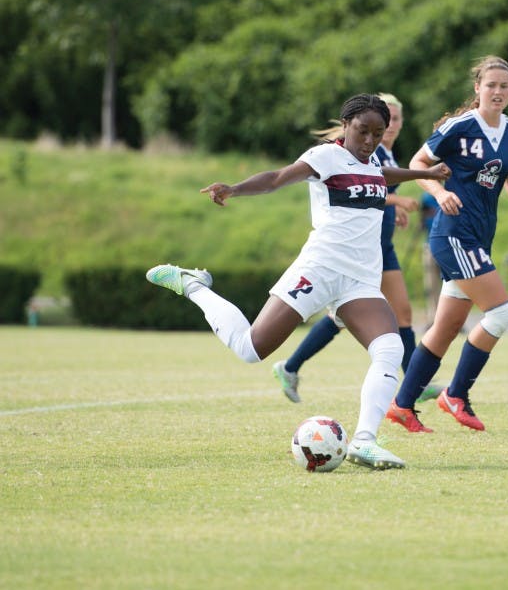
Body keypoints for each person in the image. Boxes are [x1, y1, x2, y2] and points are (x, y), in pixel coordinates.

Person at [145, 94, 450, 470]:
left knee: (389, 350)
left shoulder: (373, 166)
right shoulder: (324, 157)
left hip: (359, 281)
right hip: (318, 270)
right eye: (362, 131)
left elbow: (383, 176)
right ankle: (194, 285)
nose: (370, 140)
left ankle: (365, 442)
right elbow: (275, 179)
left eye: (377, 133)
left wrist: (426, 175)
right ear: (345, 126)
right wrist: (234, 188)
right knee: (250, 348)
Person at [384, 55, 508, 433]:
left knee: (444, 328)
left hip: (478, 238)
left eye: (504, 86)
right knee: (501, 314)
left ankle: (402, 405)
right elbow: (418, 162)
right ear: (477, 88)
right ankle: (456, 394)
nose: (498, 92)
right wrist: (438, 193)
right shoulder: (461, 126)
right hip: (453, 234)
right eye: (491, 85)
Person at [271, 93, 443, 404]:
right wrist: (397, 200)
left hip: (381, 245)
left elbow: (374, 184)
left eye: (395, 119)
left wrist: (396, 204)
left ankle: (413, 385)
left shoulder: (381, 155)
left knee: (397, 311)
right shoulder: (352, 153)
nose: (387, 128)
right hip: (358, 248)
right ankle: (292, 366)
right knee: (345, 316)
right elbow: (356, 188)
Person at [419, 191, 443, 324]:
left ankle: (452, 319)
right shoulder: (426, 197)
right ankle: (433, 319)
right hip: (430, 244)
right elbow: (422, 219)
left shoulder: (450, 192)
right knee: (431, 284)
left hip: (448, 244)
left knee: (452, 284)